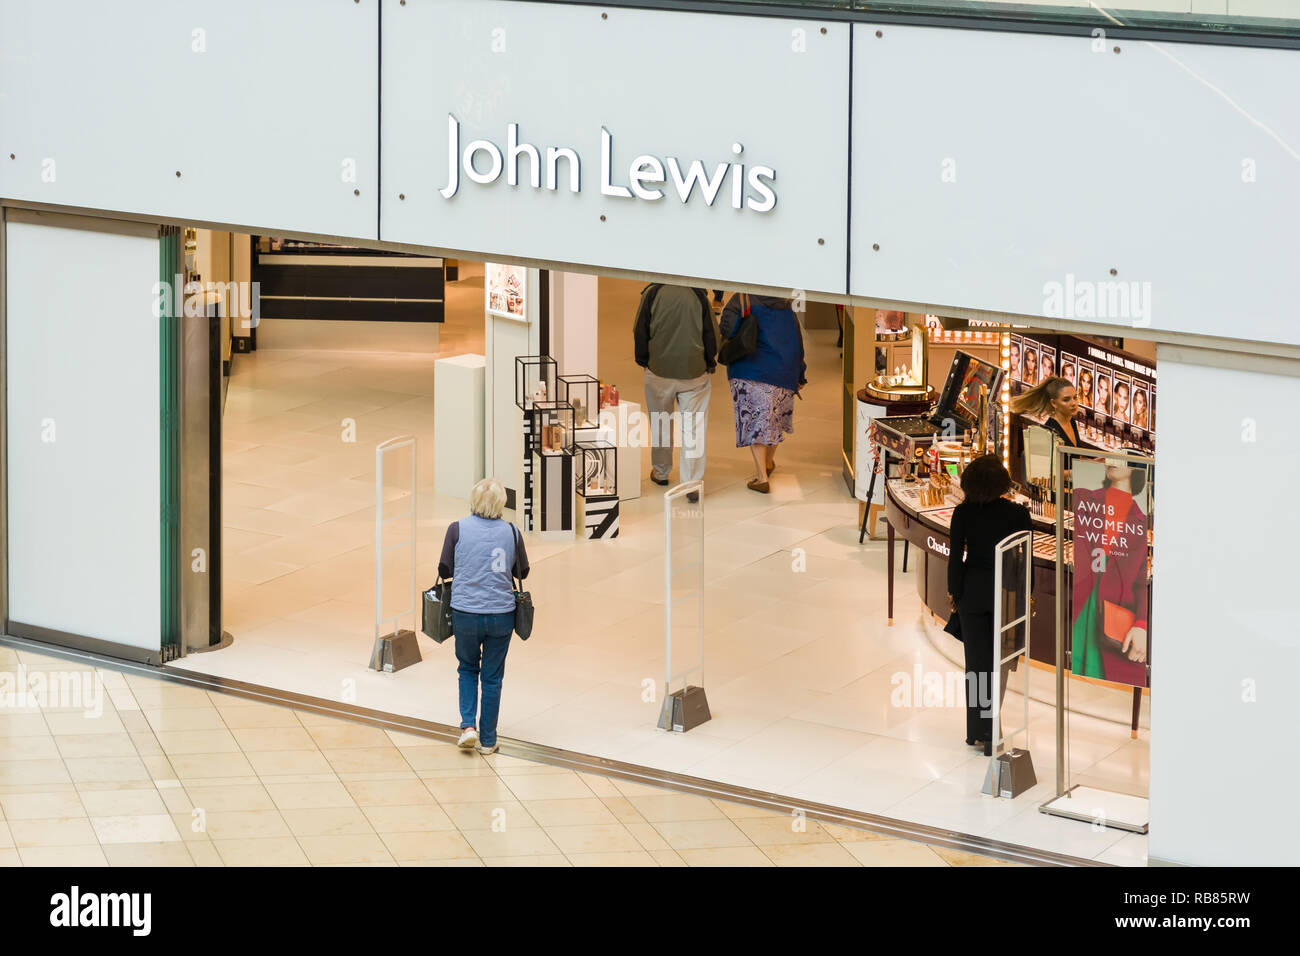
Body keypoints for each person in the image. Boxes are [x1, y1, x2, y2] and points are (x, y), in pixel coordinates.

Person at [437, 477, 529, 756]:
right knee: (492, 676)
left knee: (467, 668)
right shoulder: (512, 532)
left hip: (466, 613)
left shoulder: (457, 529)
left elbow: (444, 569)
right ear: (501, 504)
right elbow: (522, 573)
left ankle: (468, 728)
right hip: (501, 615)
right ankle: (489, 740)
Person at [947, 456, 1033, 755]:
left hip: (972, 591)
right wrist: (1026, 594)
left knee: (976, 665)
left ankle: (977, 731)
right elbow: (1026, 561)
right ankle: (992, 727)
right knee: (1000, 663)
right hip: (1006, 592)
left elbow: (955, 557)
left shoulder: (962, 513)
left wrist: (955, 594)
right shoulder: (1017, 514)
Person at [633, 283, 718, 504]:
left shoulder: (653, 292)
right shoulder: (699, 295)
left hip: (658, 371)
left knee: (660, 420)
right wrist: (708, 362)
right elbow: (712, 335)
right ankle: (691, 484)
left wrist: (645, 361)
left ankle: (661, 472)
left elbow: (640, 329)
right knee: (694, 428)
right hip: (694, 373)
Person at [1071, 462, 1149, 687]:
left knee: (1098, 680)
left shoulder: (1141, 521)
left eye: (1124, 460)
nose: (1113, 462)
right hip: (1081, 600)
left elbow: (1139, 582)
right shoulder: (1083, 498)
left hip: (1111, 612)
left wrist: (1142, 624)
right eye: (1111, 457)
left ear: (1136, 470)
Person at [719, 293, 806, 493]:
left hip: (750, 370)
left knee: (755, 424)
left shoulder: (741, 299)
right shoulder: (786, 306)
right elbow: (798, 344)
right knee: (774, 422)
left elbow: (729, 330)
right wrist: (800, 374)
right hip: (784, 373)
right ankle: (768, 462)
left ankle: (761, 477)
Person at [1011, 375, 1084, 447]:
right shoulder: (1050, 432)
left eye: (1075, 397)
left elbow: (1076, 456)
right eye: (1066, 400)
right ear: (1053, 403)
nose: (1073, 403)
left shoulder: (1072, 421)